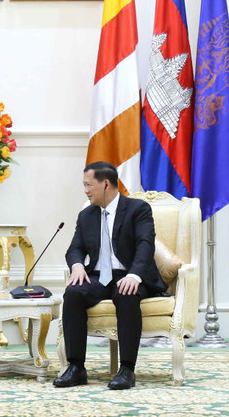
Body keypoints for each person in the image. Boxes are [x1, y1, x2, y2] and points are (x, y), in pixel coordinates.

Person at [53, 161, 166, 390]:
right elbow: (75, 249)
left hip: (131, 274)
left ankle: (126, 369)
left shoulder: (138, 209)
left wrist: (134, 275)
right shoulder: (86, 215)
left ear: (105, 184)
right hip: (99, 275)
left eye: (88, 185)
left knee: (126, 294)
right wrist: (77, 266)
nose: (85, 190)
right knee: (73, 293)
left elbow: (145, 245)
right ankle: (76, 367)